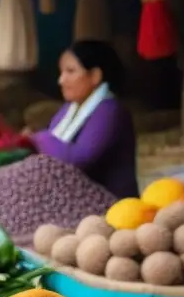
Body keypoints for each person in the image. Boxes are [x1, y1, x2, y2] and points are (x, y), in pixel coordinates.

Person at [29, 40, 138, 199]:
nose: (61, 80)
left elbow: (77, 160)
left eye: (70, 72)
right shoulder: (70, 109)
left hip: (109, 204)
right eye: (61, 72)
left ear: (95, 76)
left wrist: (38, 138)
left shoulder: (109, 111)